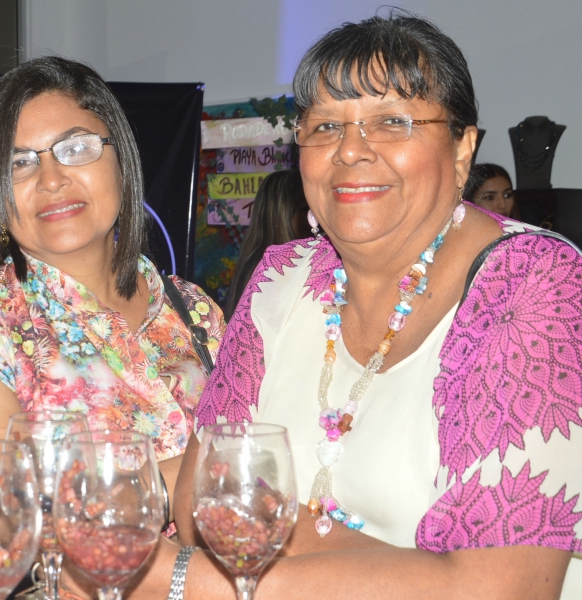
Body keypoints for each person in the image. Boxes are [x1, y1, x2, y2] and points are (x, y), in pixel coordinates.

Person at [114, 12, 580, 600]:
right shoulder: (279, 279)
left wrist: (187, 578)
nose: (351, 151)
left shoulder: (533, 286)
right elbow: (197, 497)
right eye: (326, 126)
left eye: (392, 121)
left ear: (463, 149)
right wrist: (405, 569)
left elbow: (497, 589)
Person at [0, 56, 224, 512]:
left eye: (76, 149)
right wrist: (196, 474)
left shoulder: (194, 308)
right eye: (19, 163)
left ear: (121, 163)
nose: (51, 179)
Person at [224, 169, 307, 319]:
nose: (311, 218)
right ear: (285, 214)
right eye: (305, 210)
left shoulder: (253, 260)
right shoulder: (274, 270)